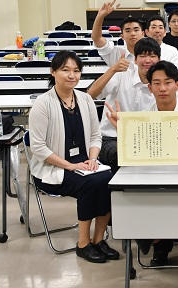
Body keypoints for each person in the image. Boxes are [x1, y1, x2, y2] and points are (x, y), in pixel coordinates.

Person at [105, 60, 178, 267]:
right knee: (132, 196)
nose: (163, 88)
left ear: (177, 85)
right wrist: (122, 132)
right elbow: (134, 158)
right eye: (157, 83)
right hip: (153, 177)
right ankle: (159, 242)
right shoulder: (143, 118)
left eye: (168, 82)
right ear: (149, 87)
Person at [28, 51, 119, 264]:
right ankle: (83, 244)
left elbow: (96, 136)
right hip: (54, 168)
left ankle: (98, 240)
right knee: (91, 184)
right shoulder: (43, 103)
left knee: (111, 179)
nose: (72, 75)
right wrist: (69, 165)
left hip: (85, 164)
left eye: (76, 71)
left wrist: (93, 159)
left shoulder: (85, 99)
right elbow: (38, 148)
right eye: (65, 70)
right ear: (53, 72)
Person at [87, 37, 160, 173]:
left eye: (152, 56)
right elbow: (91, 94)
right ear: (135, 60)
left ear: (159, 59)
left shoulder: (161, 85)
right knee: (123, 154)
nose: (147, 60)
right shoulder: (121, 75)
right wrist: (112, 69)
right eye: (142, 56)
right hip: (111, 137)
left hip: (145, 139)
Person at [91, 0, 144, 68]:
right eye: (128, 31)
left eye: (136, 30)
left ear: (143, 34)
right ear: (122, 36)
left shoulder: (151, 54)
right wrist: (100, 16)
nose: (133, 34)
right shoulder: (115, 53)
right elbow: (97, 39)